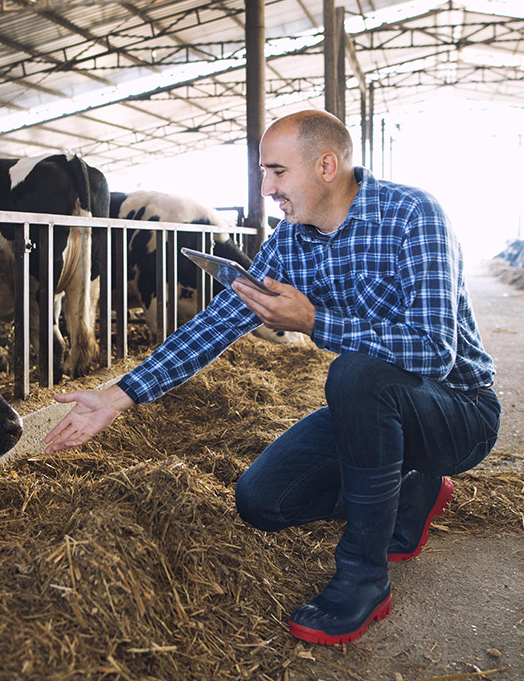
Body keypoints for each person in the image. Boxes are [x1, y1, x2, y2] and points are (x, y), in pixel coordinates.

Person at [44, 109, 500, 645]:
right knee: (262, 501)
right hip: (373, 413)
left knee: (354, 376)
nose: (266, 188)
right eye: (264, 172)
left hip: (458, 412)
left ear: (326, 165)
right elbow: (218, 324)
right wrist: (119, 395)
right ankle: (407, 489)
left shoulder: (412, 214)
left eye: (277, 172)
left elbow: (434, 353)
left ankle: (363, 576)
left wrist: (314, 322)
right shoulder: (292, 241)